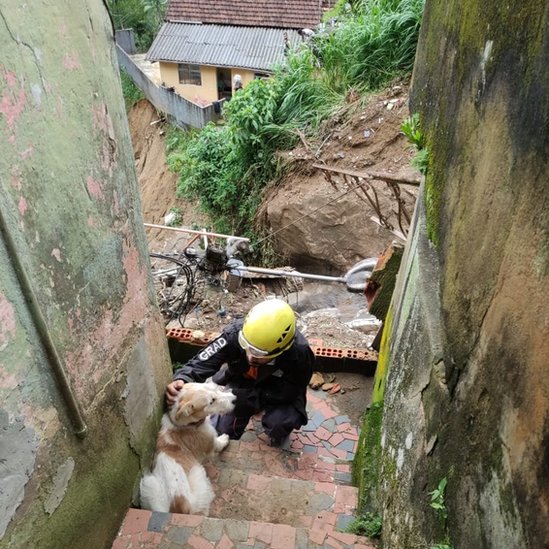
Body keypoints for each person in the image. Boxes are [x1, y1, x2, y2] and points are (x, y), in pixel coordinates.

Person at [166, 299, 314, 446]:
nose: (249, 356)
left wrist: (249, 400)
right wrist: (183, 378)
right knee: (221, 430)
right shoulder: (233, 334)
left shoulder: (300, 355)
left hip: (277, 390)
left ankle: (277, 433)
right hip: (243, 379)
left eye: (258, 353)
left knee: (279, 423)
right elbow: (204, 360)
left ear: (280, 350)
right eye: (246, 345)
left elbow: (292, 390)